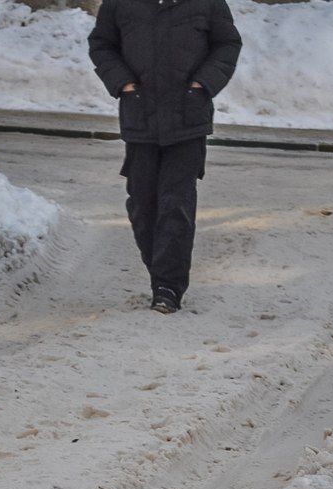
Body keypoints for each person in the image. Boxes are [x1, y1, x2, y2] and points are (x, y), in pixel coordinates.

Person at [88, 0, 241, 314]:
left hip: (188, 119)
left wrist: (202, 85)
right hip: (139, 116)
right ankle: (161, 274)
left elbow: (227, 43)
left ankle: (168, 287)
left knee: (176, 204)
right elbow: (102, 45)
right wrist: (124, 84)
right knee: (142, 205)